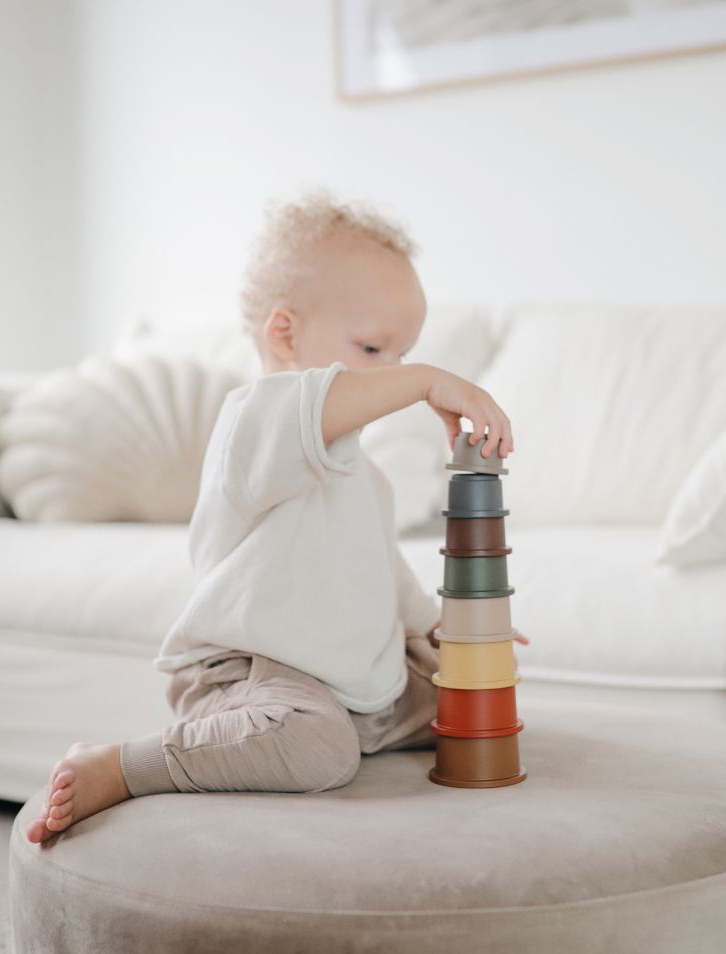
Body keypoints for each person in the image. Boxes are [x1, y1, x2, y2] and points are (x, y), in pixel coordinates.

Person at [26, 190, 524, 844]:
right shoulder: (256, 419)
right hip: (253, 673)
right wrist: (428, 379)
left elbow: (383, 569)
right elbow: (321, 404)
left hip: (350, 680)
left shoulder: (361, 472)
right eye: (376, 349)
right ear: (284, 334)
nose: (394, 375)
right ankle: (121, 764)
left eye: (404, 355)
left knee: (463, 696)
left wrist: (442, 628)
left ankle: (343, 727)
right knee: (320, 746)